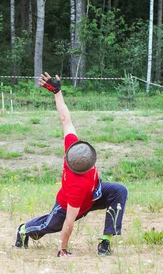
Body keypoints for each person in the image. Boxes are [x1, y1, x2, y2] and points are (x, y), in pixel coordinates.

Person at [15, 73, 128, 257]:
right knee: (48, 226)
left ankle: (106, 241)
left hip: (93, 195)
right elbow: (69, 221)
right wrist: (63, 249)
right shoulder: (78, 184)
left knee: (119, 191)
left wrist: (57, 92)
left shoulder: (73, 147)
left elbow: (65, 118)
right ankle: (23, 229)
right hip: (69, 206)